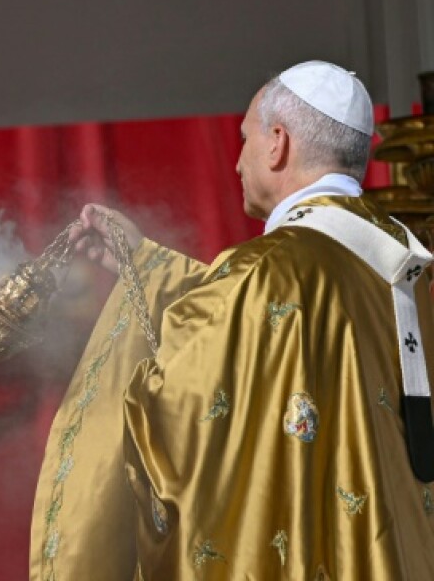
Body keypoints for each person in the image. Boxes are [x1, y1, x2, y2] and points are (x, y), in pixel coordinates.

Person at [31, 60, 434, 579]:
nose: (238, 162)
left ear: (278, 144)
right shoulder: (406, 262)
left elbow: (186, 403)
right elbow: (267, 325)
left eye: (245, 139)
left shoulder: (269, 267)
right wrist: (147, 267)